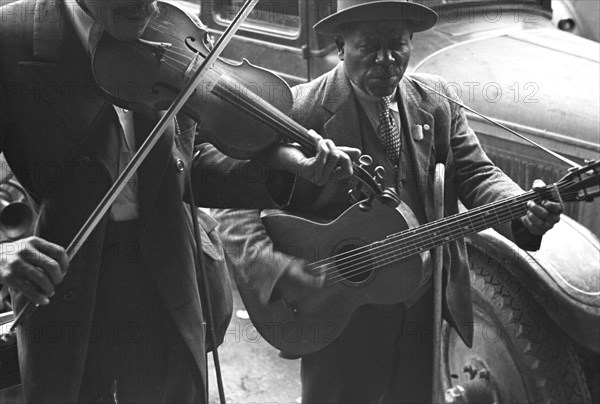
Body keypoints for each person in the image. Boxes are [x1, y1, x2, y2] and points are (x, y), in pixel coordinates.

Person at [0, 0, 359, 402]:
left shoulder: (170, 29)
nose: (148, 6)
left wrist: (285, 165)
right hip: (63, 283)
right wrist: (5, 251)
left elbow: (190, 163)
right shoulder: (9, 38)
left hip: (168, 275)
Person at [212, 0, 564, 402]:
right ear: (341, 47)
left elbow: (477, 173)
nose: (386, 59)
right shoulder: (300, 109)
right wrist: (278, 271)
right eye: (369, 46)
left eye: (397, 44)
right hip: (339, 312)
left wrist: (522, 209)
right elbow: (230, 198)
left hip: (422, 307)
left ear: (411, 42)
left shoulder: (437, 101)